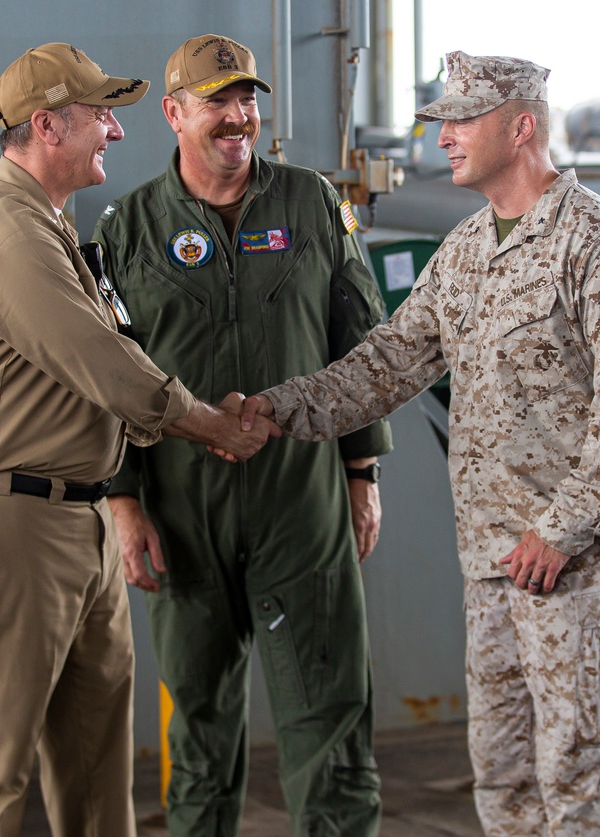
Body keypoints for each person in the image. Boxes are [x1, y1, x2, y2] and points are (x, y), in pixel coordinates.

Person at [239, 51, 600, 836]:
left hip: (576, 574)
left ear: (521, 125)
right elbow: (383, 367)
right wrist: (271, 410)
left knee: (581, 794)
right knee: (504, 791)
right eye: (441, 121)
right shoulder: (467, 252)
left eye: (462, 120)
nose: (443, 137)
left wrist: (562, 526)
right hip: (491, 573)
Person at [0, 42, 278, 837]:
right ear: (47, 126)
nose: (116, 132)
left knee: (94, 773)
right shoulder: (9, 232)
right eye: (100, 116)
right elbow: (107, 366)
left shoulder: (49, 223)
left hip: (76, 517)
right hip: (12, 525)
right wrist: (210, 422)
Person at [91, 33, 392, 837]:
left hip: (304, 500)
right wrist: (124, 504)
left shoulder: (313, 204)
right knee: (197, 722)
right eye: (218, 100)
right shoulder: (128, 227)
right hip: (183, 508)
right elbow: (108, 372)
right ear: (174, 113)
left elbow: (359, 341)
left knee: (330, 716)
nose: (238, 116)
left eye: (247, 98)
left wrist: (362, 472)